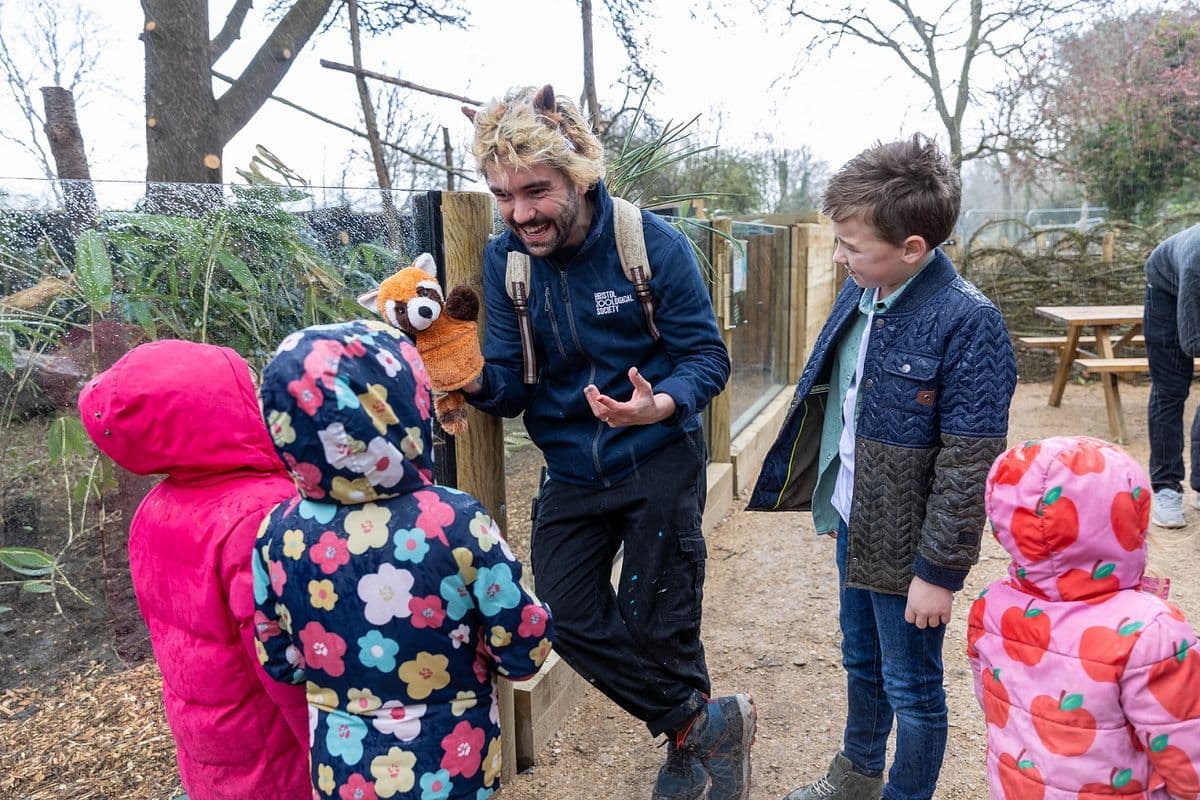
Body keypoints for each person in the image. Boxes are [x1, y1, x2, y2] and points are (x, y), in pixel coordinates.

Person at [458, 84, 753, 800]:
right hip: (570, 468)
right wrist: (457, 374)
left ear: (579, 175)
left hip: (657, 458)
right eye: (503, 195)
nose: (521, 212)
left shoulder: (650, 244)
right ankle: (705, 724)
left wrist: (662, 405)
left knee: (661, 617)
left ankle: (694, 760)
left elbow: (706, 359)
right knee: (562, 614)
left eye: (536, 190)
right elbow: (510, 386)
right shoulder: (508, 264)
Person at [748, 134, 1018, 800]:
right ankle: (859, 773)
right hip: (854, 520)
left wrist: (939, 571)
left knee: (913, 687)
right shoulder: (862, 291)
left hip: (911, 552)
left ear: (912, 249)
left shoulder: (968, 322)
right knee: (861, 661)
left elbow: (968, 464)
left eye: (850, 246)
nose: (839, 257)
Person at [252, 320, 552, 800]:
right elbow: (523, 648)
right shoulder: (454, 520)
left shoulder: (278, 532)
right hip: (452, 765)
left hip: (340, 770)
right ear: (403, 408)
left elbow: (280, 659)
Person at [76, 340, 310, 800]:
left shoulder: (153, 508)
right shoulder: (261, 516)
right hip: (277, 762)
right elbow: (283, 668)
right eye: (245, 390)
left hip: (212, 751)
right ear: (216, 410)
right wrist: (329, 753)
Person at [968, 435, 1200, 798]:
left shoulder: (992, 605)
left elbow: (997, 705)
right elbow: (1188, 756)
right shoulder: (1151, 631)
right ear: (1129, 516)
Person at [1143, 222, 1200, 528]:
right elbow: (1192, 343)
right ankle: (1166, 488)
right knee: (1170, 390)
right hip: (1165, 291)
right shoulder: (1196, 262)